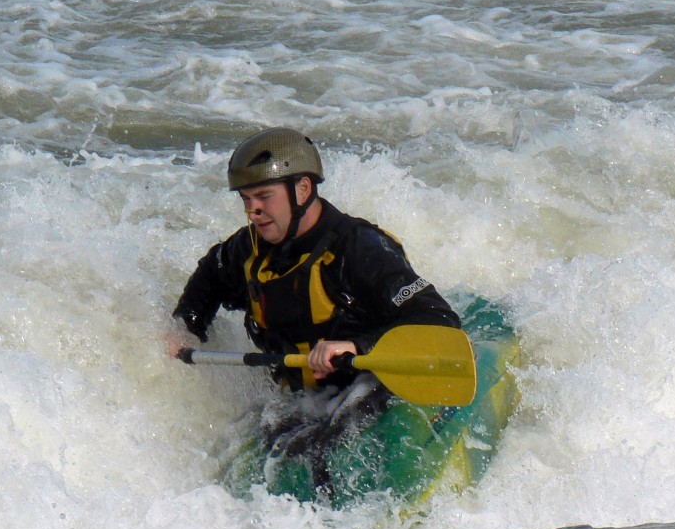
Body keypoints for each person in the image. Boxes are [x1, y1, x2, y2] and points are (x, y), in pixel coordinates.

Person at [168, 127, 461, 497]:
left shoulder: (360, 248)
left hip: (370, 388)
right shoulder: (248, 250)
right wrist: (185, 328)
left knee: (323, 458)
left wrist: (355, 346)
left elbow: (439, 319)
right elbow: (208, 280)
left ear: (303, 189)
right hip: (301, 401)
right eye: (246, 200)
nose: (253, 211)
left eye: (264, 197)